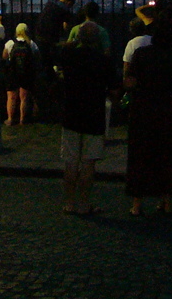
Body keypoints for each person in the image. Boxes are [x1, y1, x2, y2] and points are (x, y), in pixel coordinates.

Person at [124, 14, 172, 216]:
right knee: (167, 157)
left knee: (140, 157)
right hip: (167, 112)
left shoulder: (142, 54)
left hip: (143, 111)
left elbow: (129, 82)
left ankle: (137, 204)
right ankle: (166, 202)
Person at [58, 22, 119, 215]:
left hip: (71, 112)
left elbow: (58, 52)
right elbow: (115, 89)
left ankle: (69, 201)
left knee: (70, 161)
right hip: (94, 113)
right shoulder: (104, 61)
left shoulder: (69, 57)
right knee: (88, 162)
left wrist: (73, 40)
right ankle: (84, 203)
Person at [3, 23, 39, 126]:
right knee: (24, 97)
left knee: (11, 97)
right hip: (25, 73)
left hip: (12, 73)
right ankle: (22, 120)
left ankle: (10, 119)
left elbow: (4, 56)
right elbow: (36, 56)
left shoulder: (10, 43)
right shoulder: (31, 43)